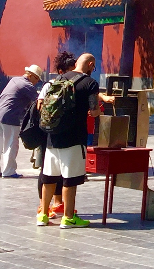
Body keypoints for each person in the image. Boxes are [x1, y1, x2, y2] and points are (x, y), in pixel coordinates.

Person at [39, 53, 103, 228]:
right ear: (90, 64)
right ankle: (68, 218)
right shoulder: (90, 83)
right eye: (93, 67)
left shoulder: (58, 79)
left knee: (49, 177)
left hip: (53, 136)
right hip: (74, 138)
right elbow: (94, 109)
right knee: (70, 179)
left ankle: (43, 215)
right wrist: (97, 113)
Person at [34, 51, 75, 218]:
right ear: (61, 71)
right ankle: (42, 206)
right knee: (46, 170)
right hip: (47, 133)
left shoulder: (72, 86)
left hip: (61, 132)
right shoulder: (49, 85)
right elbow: (39, 107)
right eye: (70, 70)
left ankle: (58, 203)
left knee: (59, 169)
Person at [0, 65, 43, 178]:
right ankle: (9, 171)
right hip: (10, 116)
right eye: (37, 78)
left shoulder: (15, 80)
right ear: (30, 75)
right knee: (11, 144)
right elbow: (39, 101)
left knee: (1, 144)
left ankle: (2, 170)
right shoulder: (27, 85)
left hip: (1, 112)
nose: (37, 81)